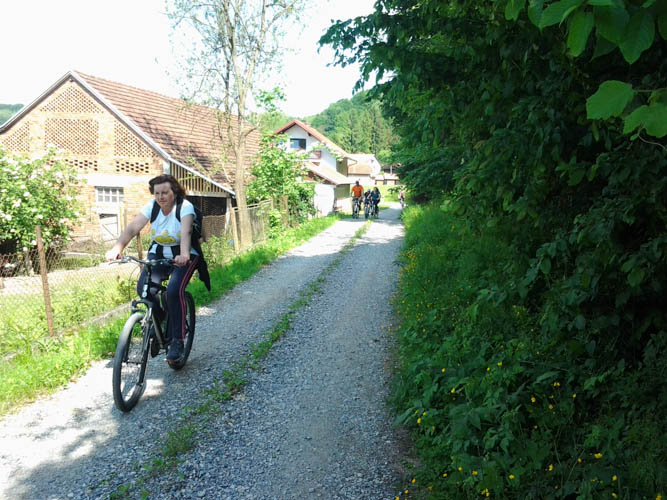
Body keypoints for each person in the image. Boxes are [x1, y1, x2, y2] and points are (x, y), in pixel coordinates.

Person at [105, 174, 209, 364]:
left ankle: (177, 340)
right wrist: (117, 248)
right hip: (159, 253)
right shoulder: (151, 207)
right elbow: (132, 228)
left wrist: (184, 255)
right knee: (145, 290)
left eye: (165, 192)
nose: (161, 197)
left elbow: (186, 232)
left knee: (174, 290)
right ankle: (160, 317)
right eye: (157, 193)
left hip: (184, 254)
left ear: (174, 192)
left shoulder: (184, 207)